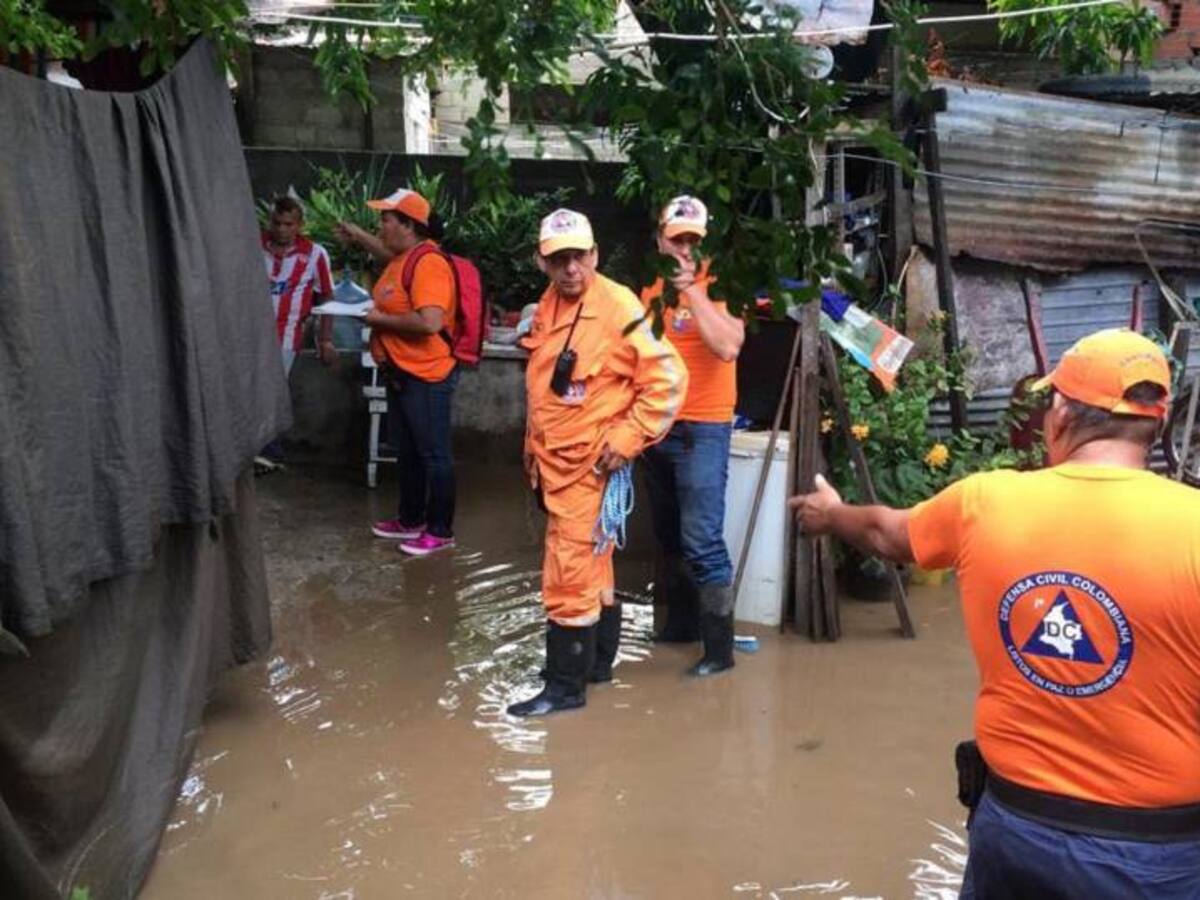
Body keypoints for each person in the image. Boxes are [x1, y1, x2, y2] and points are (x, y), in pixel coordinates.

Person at [791, 329, 1200, 897]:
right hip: (1159, 853)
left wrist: (831, 513)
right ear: (1159, 422)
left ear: (1060, 414)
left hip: (1015, 831)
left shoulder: (986, 503)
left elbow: (886, 534)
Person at [507, 209, 688, 717]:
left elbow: (669, 380)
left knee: (568, 572)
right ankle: (596, 666)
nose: (571, 268)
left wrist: (629, 437)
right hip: (553, 463)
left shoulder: (618, 307)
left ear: (595, 255)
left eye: (579, 257)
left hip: (588, 467)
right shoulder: (549, 304)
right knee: (594, 567)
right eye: (559, 259)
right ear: (542, 262)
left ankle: (565, 688)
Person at [639, 196, 745, 676]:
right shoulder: (648, 288)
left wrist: (694, 293)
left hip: (703, 426)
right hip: (656, 426)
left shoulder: (723, 284)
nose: (685, 249)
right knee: (669, 537)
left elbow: (728, 346)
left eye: (693, 241)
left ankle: (719, 653)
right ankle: (681, 626)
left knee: (701, 540)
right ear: (660, 240)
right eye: (677, 239)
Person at [339, 188, 460, 557]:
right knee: (408, 451)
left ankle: (440, 530)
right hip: (402, 371)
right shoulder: (405, 257)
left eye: (387, 219)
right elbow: (384, 251)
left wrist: (378, 319)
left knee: (433, 454)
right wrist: (358, 236)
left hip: (427, 374)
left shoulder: (429, 263)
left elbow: (429, 322)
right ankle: (410, 520)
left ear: (409, 226)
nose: (381, 226)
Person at [259, 196, 335, 469]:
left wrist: (325, 339)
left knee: (273, 388)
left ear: (300, 225)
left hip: (287, 334)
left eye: (288, 224)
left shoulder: (315, 254)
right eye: (277, 223)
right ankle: (260, 450)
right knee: (249, 388)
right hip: (251, 334)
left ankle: (270, 450)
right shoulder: (253, 246)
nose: (281, 229)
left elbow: (326, 297)